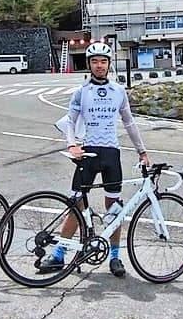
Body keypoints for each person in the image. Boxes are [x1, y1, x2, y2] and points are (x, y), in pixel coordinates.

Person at [44, 41, 149, 278]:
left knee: (114, 208)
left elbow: (129, 122)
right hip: (88, 153)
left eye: (103, 61)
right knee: (77, 204)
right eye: (94, 61)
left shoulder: (118, 91)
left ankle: (115, 256)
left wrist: (142, 151)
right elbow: (70, 121)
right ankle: (60, 253)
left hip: (111, 153)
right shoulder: (82, 92)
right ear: (89, 65)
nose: (99, 65)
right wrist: (71, 144)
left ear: (109, 64)